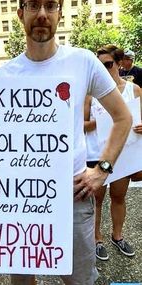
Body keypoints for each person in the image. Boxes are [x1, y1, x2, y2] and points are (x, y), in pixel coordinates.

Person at [0, 1, 132, 284]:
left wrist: (102, 169)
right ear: (20, 13)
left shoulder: (84, 61)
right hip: (15, 199)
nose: (42, 13)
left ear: (59, 13)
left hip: (71, 196)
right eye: (33, 5)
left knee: (79, 280)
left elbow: (122, 117)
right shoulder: (4, 75)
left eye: (50, 5)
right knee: (22, 280)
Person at [84, 45, 142, 261]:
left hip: (124, 153)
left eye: (108, 64)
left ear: (119, 64)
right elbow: (81, 124)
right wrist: (105, 121)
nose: (103, 69)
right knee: (96, 199)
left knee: (119, 196)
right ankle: (96, 239)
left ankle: (117, 236)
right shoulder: (90, 93)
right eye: (99, 66)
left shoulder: (134, 90)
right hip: (97, 154)